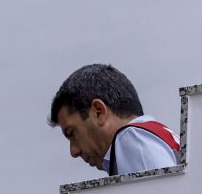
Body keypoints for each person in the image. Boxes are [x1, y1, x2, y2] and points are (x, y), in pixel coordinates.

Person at [48, 64, 180, 176]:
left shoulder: (132, 138)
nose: (74, 151)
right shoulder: (154, 135)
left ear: (98, 112)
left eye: (72, 133)